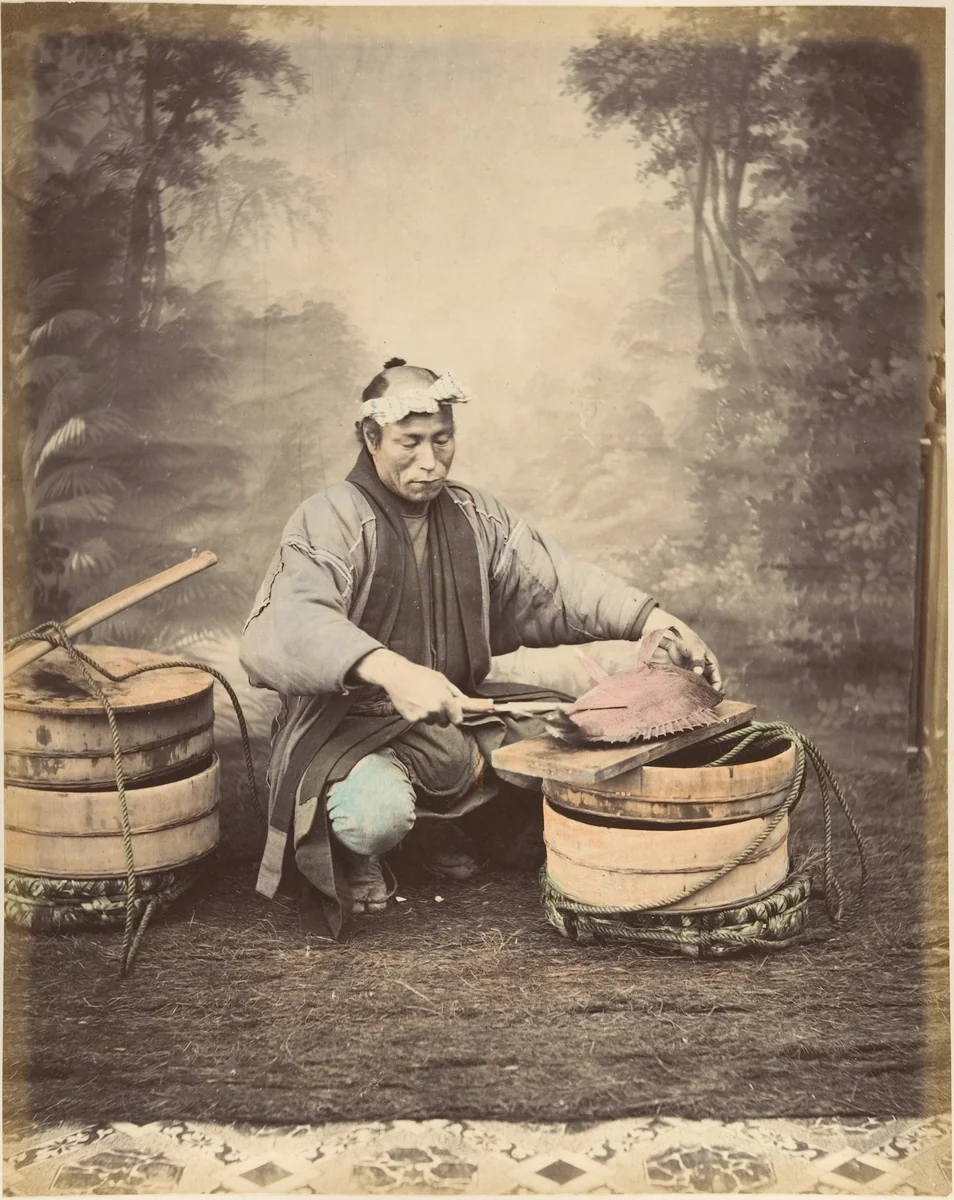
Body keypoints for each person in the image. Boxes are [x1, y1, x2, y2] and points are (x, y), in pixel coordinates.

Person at [240, 359, 722, 939]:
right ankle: (360, 852)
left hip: (458, 709)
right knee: (375, 816)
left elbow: (557, 583)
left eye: (442, 439)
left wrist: (654, 619)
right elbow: (287, 623)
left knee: (572, 740)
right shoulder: (330, 517)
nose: (430, 460)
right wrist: (390, 671)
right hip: (349, 725)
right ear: (371, 438)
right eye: (410, 442)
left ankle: (437, 830)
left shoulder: (475, 515)